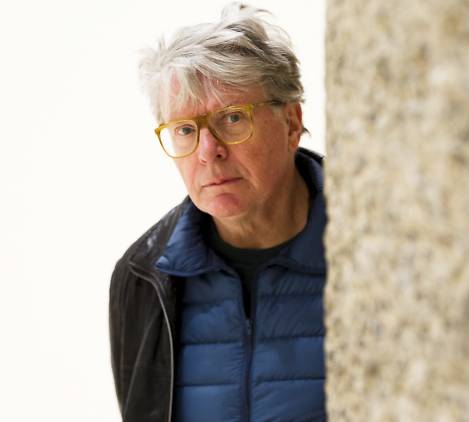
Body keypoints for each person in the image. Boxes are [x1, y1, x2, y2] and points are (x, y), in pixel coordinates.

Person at [109, 4, 327, 421]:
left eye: (231, 118)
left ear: (291, 122)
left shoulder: (371, 247)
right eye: (186, 130)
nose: (209, 153)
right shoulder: (143, 277)